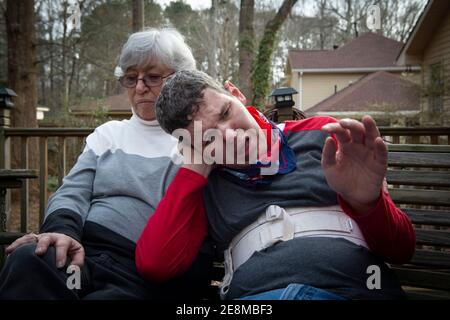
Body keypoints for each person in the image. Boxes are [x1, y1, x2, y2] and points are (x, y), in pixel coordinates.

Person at [135, 70, 416, 300]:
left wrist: (367, 203)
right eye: (210, 138)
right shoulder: (207, 186)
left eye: (225, 113)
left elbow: (401, 250)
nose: (232, 137)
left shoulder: (323, 136)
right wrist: (194, 169)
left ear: (236, 94)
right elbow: (155, 265)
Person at [0, 28, 214, 299]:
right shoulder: (108, 134)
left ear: (180, 78)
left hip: (139, 274)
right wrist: (61, 231)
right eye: (130, 77)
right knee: (29, 261)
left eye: (153, 76)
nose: (139, 87)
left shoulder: (194, 142)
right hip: (81, 257)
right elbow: (72, 192)